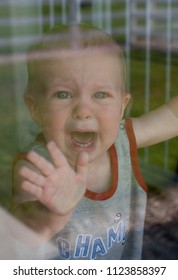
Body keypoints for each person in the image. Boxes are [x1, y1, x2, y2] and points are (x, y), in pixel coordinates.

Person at [10, 23, 178, 260]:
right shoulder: (37, 166)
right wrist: (49, 215)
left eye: (100, 94)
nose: (83, 110)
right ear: (36, 109)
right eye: (63, 94)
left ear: (122, 105)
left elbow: (172, 117)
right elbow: (19, 236)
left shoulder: (121, 140)